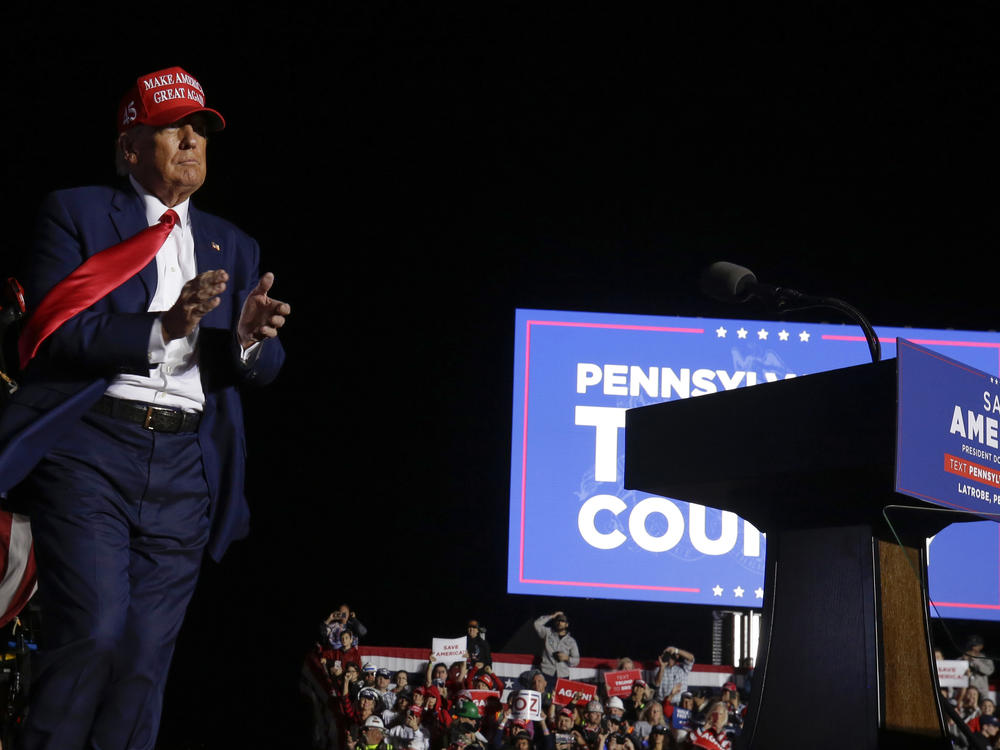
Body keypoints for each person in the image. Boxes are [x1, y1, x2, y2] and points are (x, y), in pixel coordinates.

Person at [0, 65, 289, 750]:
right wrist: (163, 325)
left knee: (142, 663)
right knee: (94, 632)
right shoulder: (75, 213)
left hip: (186, 467)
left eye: (200, 132)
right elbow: (53, 331)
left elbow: (259, 368)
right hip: (93, 450)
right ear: (130, 147)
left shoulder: (232, 243)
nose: (191, 143)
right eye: (172, 131)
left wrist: (248, 340)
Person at [533, 611, 580, 687]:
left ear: (566, 624)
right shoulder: (548, 633)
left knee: (560, 699)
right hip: (546, 673)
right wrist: (552, 616)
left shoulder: (571, 641)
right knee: (545, 696)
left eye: (562, 621)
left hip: (563, 675)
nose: (560, 622)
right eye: (558, 620)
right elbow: (536, 624)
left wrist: (567, 658)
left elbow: (576, 661)